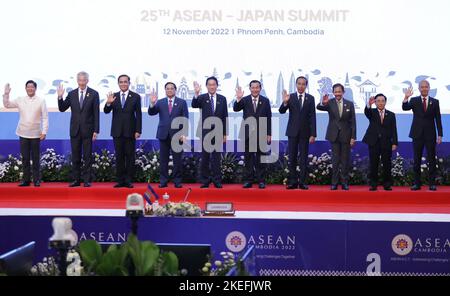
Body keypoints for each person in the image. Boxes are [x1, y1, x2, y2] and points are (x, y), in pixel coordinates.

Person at [57, 71, 99, 187]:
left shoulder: (94, 94)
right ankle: (76, 180)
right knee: (75, 156)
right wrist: (60, 97)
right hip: (75, 130)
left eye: (84, 80)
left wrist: (96, 130)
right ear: (77, 81)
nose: (81, 82)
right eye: (79, 80)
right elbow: (62, 108)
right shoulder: (71, 94)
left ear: (87, 81)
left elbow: (96, 114)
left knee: (87, 156)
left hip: (88, 130)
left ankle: (86, 180)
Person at [3, 81, 48, 187]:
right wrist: (6, 94)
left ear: (35, 88)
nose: (30, 89)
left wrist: (44, 131)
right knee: (25, 158)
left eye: (32, 87)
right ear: (25, 88)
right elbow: (7, 105)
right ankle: (26, 180)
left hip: (36, 134)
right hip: (23, 133)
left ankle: (37, 180)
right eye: (28, 87)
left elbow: (45, 117)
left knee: (36, 158)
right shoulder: (20, 99)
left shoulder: (41, 100)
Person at [402, 80, 443, 191]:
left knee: (431, 159)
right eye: (422, 87)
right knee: (417, 159)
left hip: (430, 135)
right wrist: (406, 98)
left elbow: (438, 119)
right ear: (419, 88)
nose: (424, 88)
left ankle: (432, 184)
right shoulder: (414, 100)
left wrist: (440, 134)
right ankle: (417, 183)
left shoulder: (435, 102)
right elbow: (405, 108)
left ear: (429, 88)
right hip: (417, 134)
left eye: (426, 86)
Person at [104, 74, 142, 188]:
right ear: (118, 83)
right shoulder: (113, 96)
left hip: (130, 131)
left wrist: (138, 130)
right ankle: (120, 180)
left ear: (129, 83)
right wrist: (108, 103)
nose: (123, 84)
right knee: (119, 156)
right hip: (117, 131)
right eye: (121, 82)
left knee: (130, 157)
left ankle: (129, 180)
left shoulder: (135, 96)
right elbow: (106, 111)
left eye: (125, 82)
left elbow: (139, 115)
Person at [148, 82, 188, 188]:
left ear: (175, 90)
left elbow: (185, 118)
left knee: (177, 160)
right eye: (167, 89)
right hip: (163, 134)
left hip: (177, 135)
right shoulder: (160, 102)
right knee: (163, 159)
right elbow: (151, 113)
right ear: (165, 90)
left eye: (171, 88)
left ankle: (177, 181)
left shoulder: (182, 102)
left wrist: (184, 133)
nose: (169, 90)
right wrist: (152, 103)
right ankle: (163, 181)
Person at [279, 76, 316, 190]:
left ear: (306, 85)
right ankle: (292, 182)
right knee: (292, 158)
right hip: (292, 132)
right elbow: (281, 111)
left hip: (305, 133)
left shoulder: (310, 98)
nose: (301, 86)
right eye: (299, 84)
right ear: (296, 85)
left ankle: (303, 182)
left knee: (304, 158)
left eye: (303, 84)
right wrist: (285, 102)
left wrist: (313, 134)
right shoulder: (291, 97)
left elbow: (312, 117)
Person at [317, 83, 356, 190]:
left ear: (343, 92)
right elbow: (319, 107)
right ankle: (334, 183)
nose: (337, 93)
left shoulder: (349, 104)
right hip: (333, 135)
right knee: (335, 160)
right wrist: (323, 102)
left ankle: (344, 183)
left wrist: (353, 137)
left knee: (344, 160)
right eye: (335, 92)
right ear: (333, 93)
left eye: (339, 91)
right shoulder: (329, 102)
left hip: (346, 136)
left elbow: (353, 122)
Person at [234, 80, 272, 189]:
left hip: (262, 133)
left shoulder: (265, 101)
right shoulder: (245, 100)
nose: (255, 89)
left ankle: (261, 181)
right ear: (250, 89)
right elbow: (236, 109)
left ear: (260, 88)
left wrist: (269, 133)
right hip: (247, 134)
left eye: (257, 87)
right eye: (253, 87)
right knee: (248, 158)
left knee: (261, 158)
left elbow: (269, 118)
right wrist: (238, 98)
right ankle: (248, 180)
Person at [192, 76, 228, 188]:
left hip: (218, 132)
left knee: (216, 158)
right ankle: (205, 181)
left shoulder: (222, 99)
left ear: (217, 86)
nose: (212, 86)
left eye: (214, 84)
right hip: (205, 132)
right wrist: (196, 93)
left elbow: (225, 116)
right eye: (210, 85)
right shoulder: (202, 97)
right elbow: (194, 104)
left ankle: (217, 181)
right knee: (205, 157)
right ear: (207, 86)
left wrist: (225, 133)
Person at [362, 93, 398, 191]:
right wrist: (369, 104)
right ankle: (373, 184)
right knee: (374, 163)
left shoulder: (391, 115)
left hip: (386, 142)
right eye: (378, 101)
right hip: (374, 142)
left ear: (385, 102)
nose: (380, 103)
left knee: (387, 164)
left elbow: (393, 129)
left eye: (382, 101)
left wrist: (394, 142)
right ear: (375, 102)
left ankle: (387, 184)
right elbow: (367, 112)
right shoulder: (372, 112)